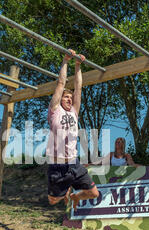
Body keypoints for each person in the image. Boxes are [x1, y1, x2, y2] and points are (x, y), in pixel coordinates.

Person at [46, 49, 99, 211]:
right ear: (60, 99)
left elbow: (79, 87)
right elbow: (61, 83)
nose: (69, 99)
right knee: (53, 200)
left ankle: (74, 195)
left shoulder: (74, 112)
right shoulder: (55, 110)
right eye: (65, 97)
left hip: (73, 163)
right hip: (57, 165)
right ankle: (64, 190)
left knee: (94, 193)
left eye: (70, 97)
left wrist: (78, 65)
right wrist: (66, 60)